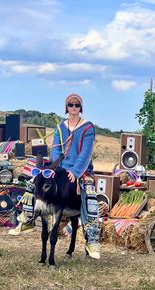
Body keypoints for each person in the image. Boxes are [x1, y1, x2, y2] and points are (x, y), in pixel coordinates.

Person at [51, 93, 100, 259]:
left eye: (76, 105)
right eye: (70, 105)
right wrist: (57, 169)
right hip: (62, 169)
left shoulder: (87, 128)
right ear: (66, 107)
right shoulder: (60, 127)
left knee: (90, 196)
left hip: (82, 170)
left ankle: (92, 240)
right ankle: (27, 218)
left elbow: (85, 154)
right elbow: (55, 149)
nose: (73, 107)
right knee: (36, 181)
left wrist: (75, 172)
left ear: (81, 107)